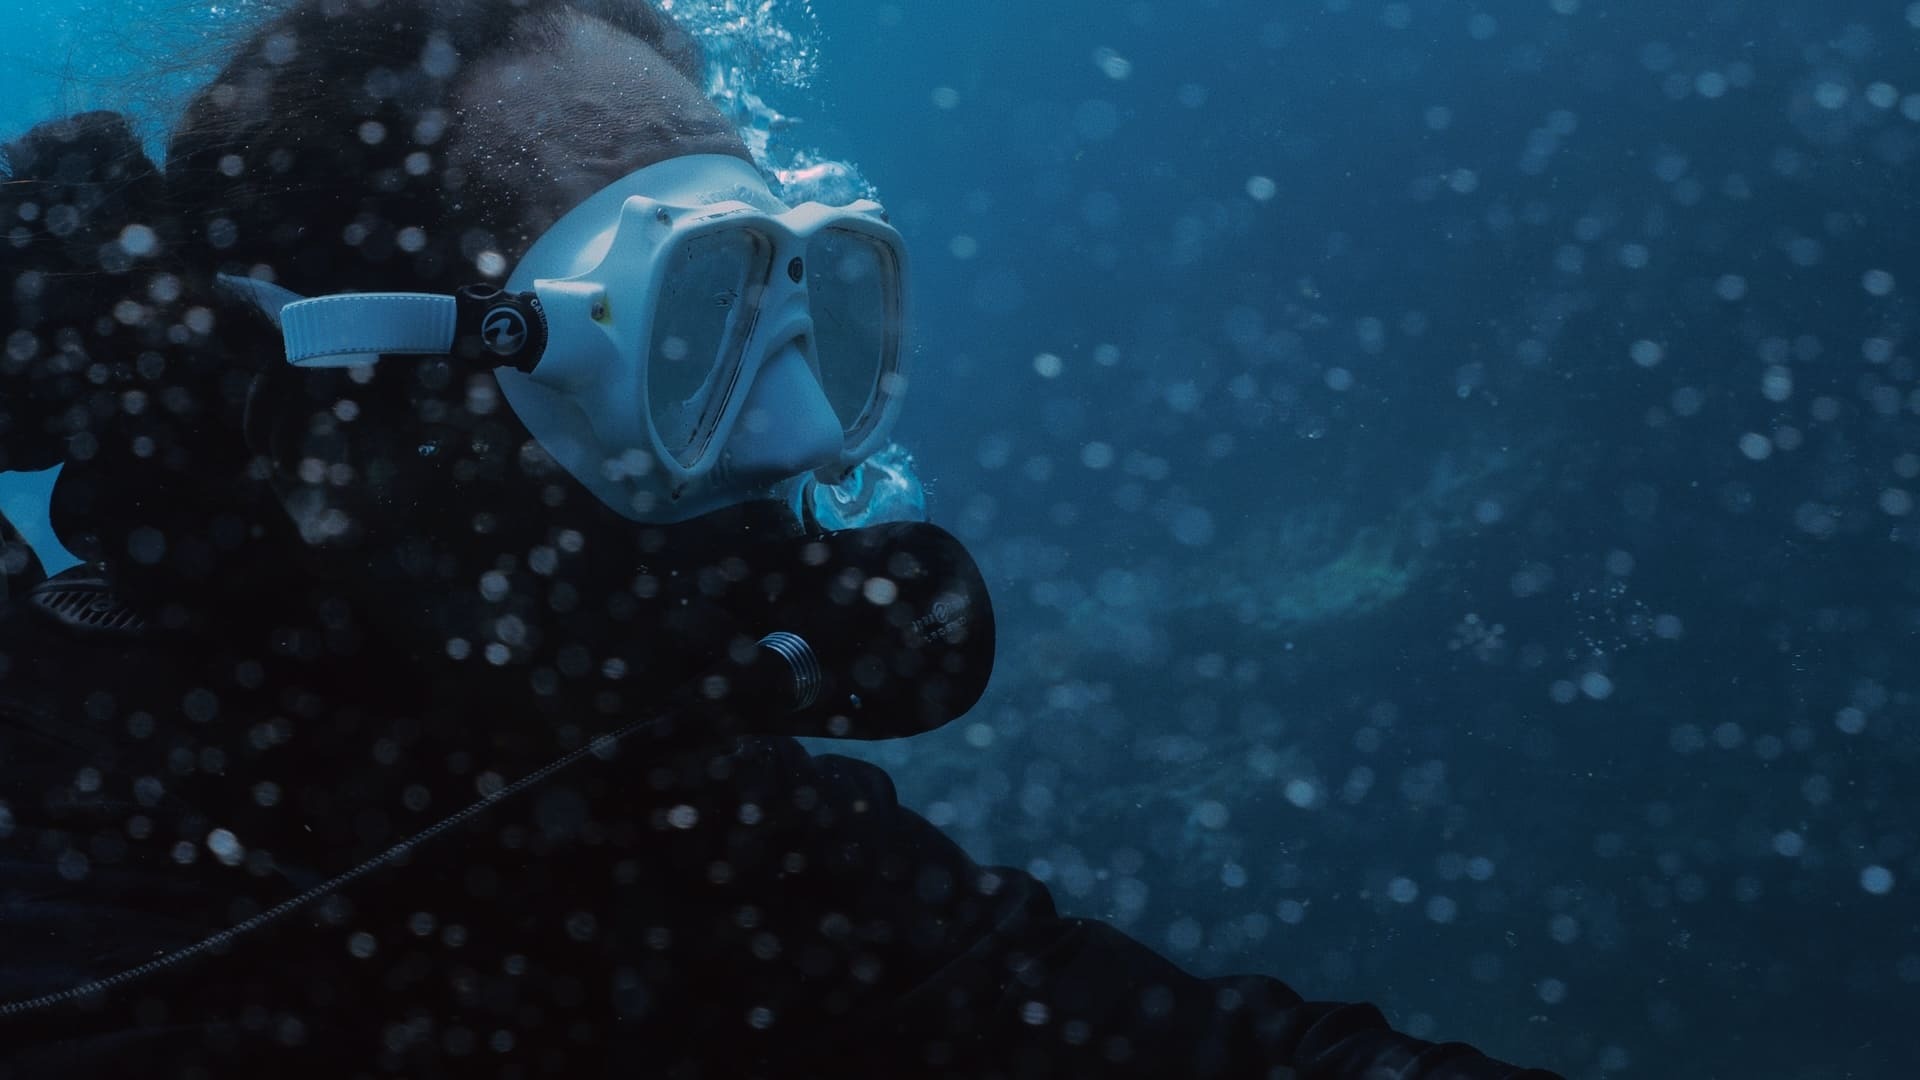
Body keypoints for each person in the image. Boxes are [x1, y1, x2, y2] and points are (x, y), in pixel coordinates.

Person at [0, 1, 1564, 1076]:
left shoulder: (689, 821)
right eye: (689, 336)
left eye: (809, 317)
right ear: (351, 425)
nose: (806, 438)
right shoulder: (70, 862)